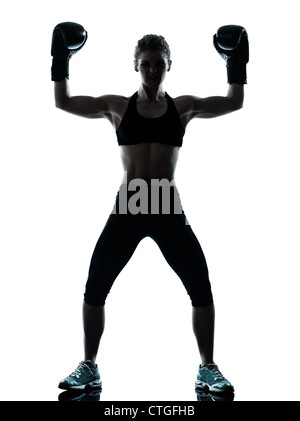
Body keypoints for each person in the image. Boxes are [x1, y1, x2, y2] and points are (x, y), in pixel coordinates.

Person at [52, 22, 248, 394]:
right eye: (146, 64)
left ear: (168, 65)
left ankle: (208, 368)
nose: (152, 70)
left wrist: (235, 64)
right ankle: (89, 367)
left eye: (159, 63)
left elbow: (234, 101)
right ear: (136, 66)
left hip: (166, 206)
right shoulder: (117, 107)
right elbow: (63, 102)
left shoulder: (183, 108)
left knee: (200, 286)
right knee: (95, 287)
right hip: (129, 205)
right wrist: (60, 60)